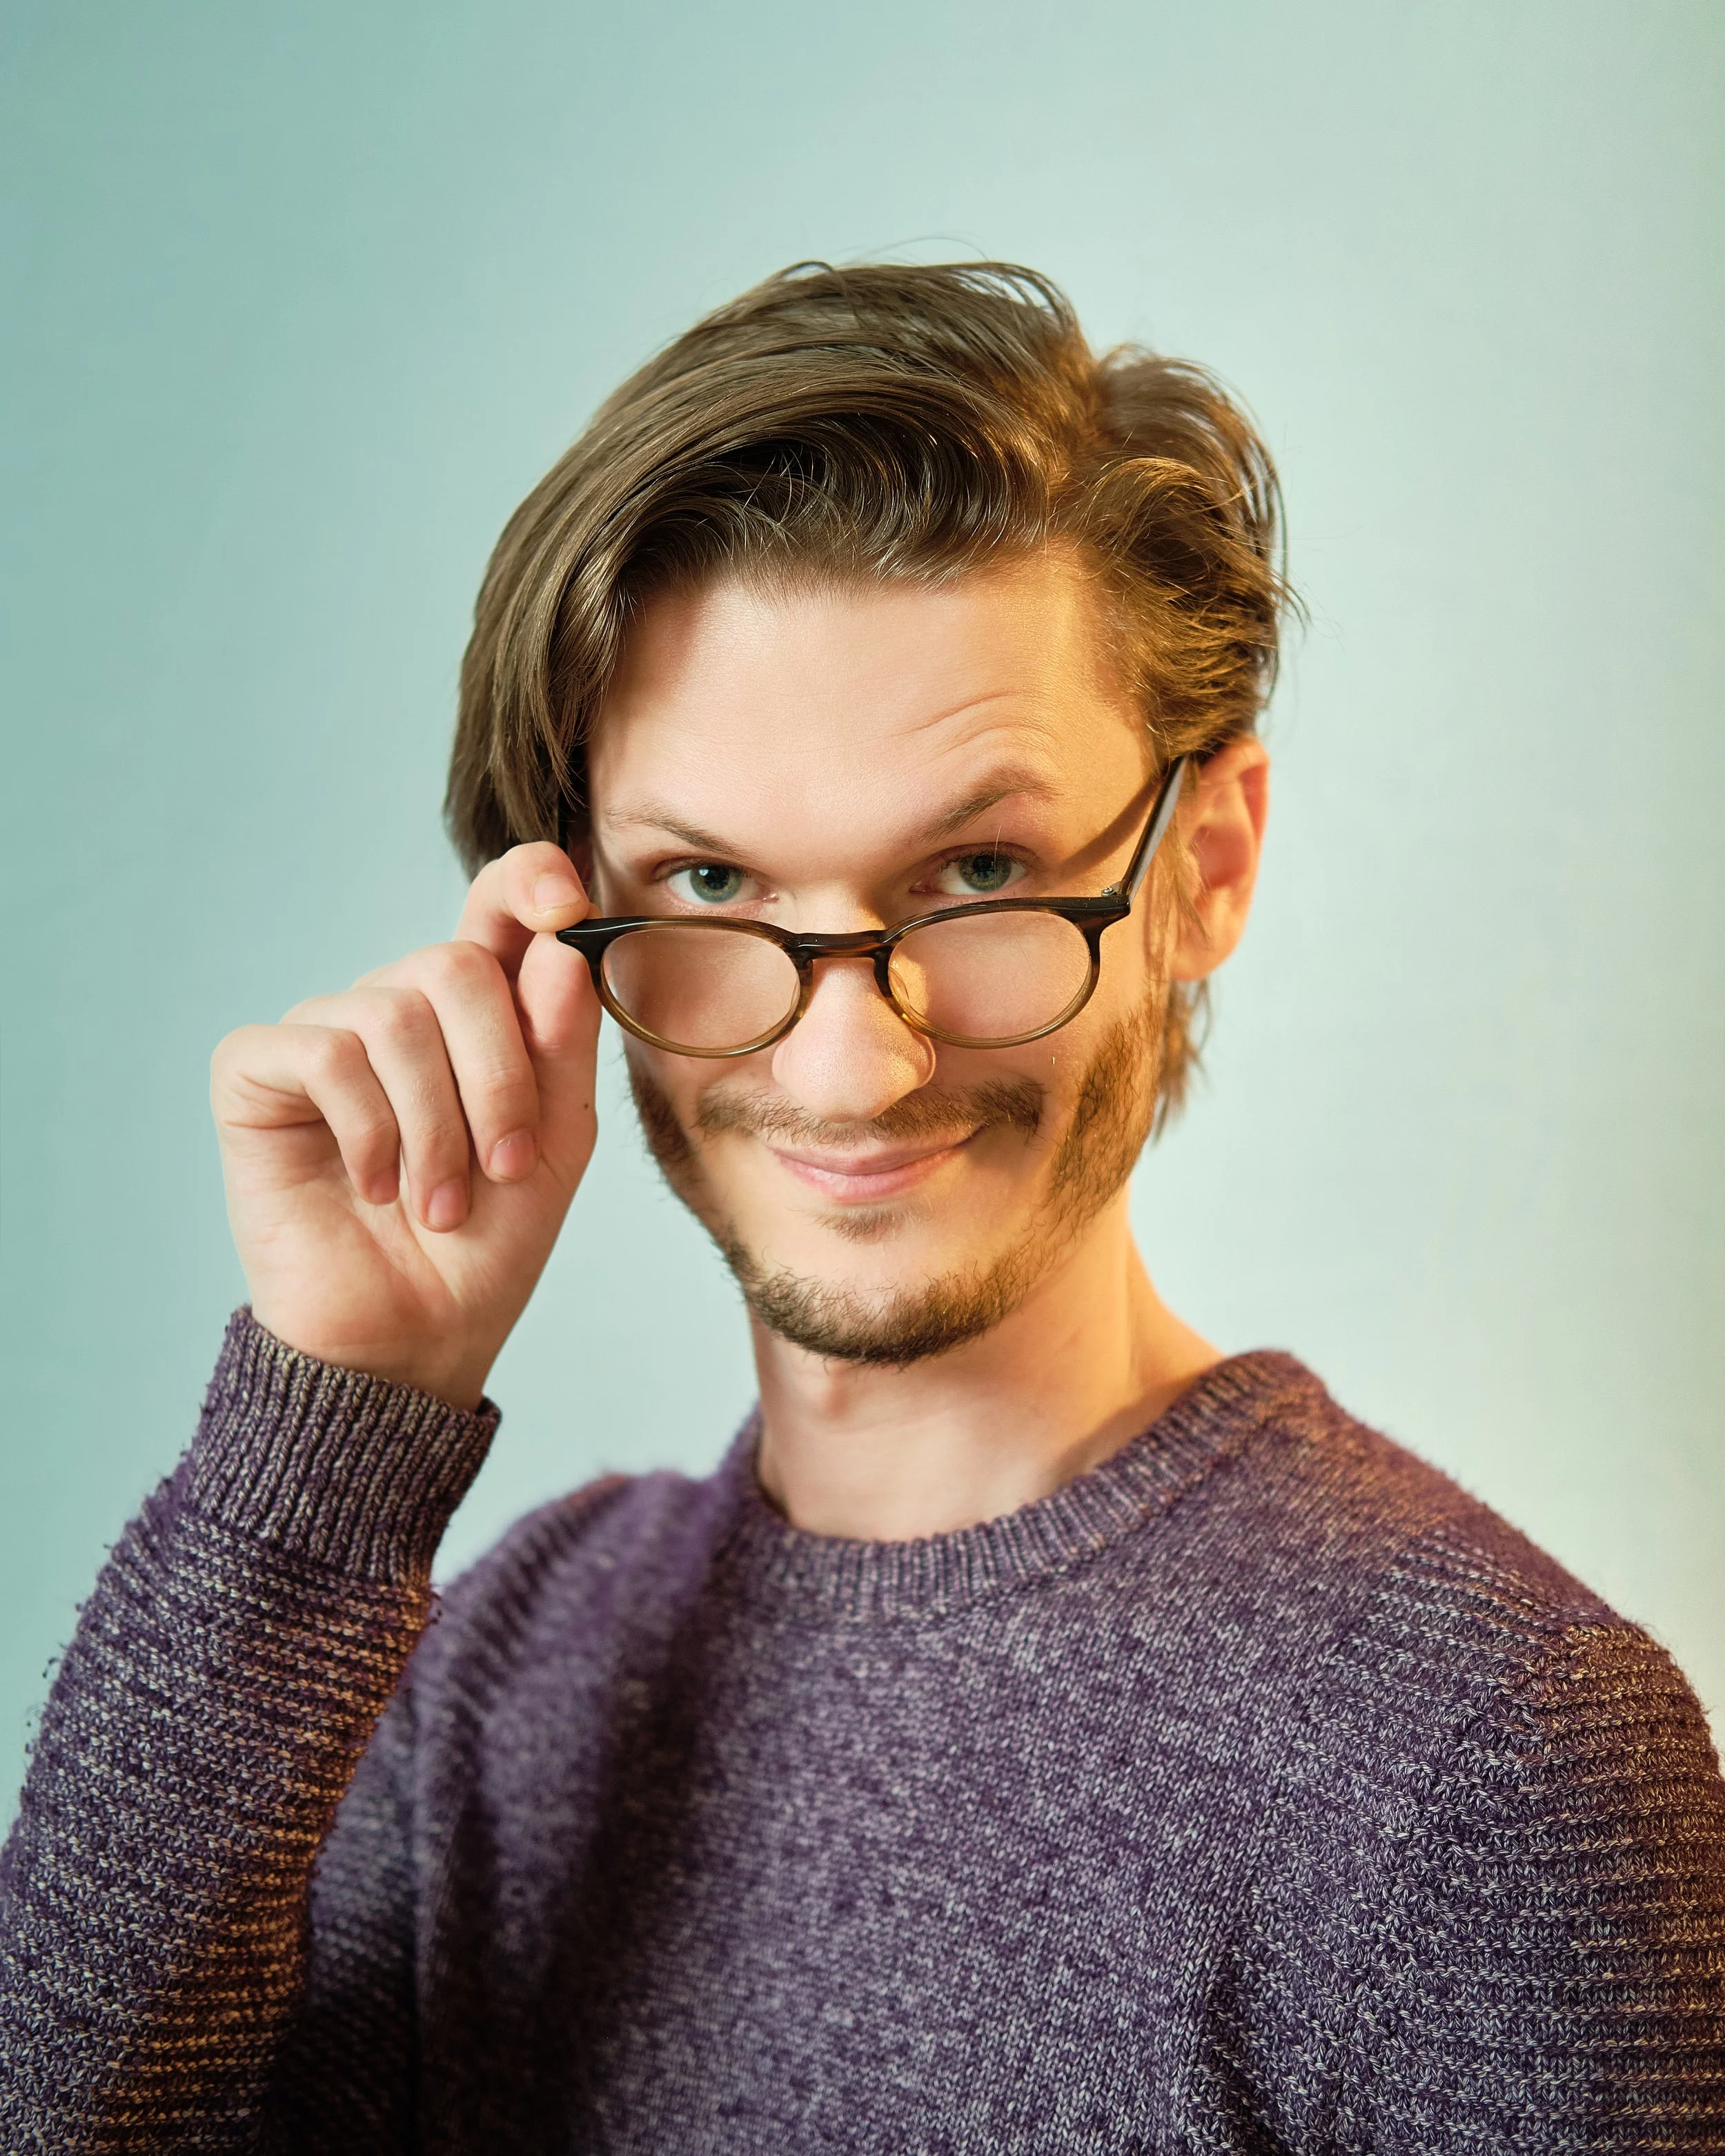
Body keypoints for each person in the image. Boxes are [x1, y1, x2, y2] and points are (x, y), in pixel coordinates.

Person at [1, 261, 1721, 2153]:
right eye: (714, 883)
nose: (845, 1067)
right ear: (561, 928)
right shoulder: (498, 1673)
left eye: (977, 869)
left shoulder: (1490, 1752)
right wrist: (333, 1424)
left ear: (1207, 860)